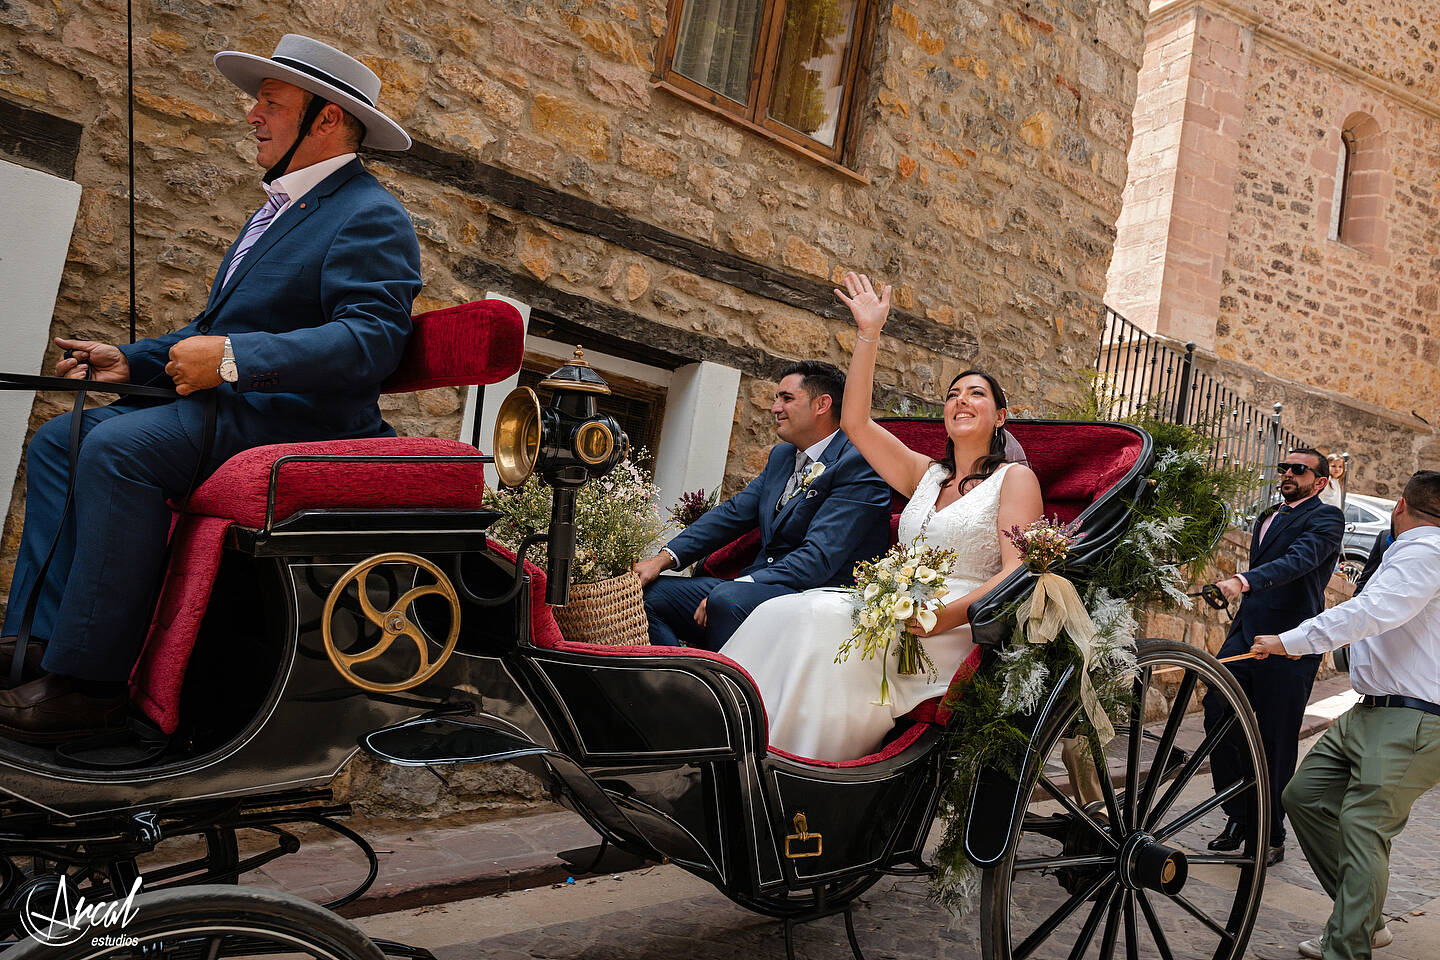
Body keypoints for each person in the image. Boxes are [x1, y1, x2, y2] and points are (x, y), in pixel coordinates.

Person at [0, 34, 422, 743]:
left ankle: (92, 686)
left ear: (326, 120)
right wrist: (130, 362)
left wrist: (231, 359)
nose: (251, 113)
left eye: (271, 102)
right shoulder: (280, 210)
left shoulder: (372, 215)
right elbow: (212, 327)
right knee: (56, 440)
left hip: (292, 419)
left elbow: (371, 341)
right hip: (236, 405)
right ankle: (40, 645)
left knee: (121, 451)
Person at [719, 273, 1043, 761]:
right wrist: (868, 332)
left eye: (976, 394)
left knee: (818, 623)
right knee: (781, 611)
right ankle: (735, 747)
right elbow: (855, 422)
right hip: (893, 606)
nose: (961, 400)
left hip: (956, 625)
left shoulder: (1015, 480)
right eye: (954, 394)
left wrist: (943, 618)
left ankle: (804, 768)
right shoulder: (924, 475)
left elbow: (1015, 570)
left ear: (1000, 416)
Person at [1251, 469, 1440, 960]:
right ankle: (1367, 919)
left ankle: (1348, 946)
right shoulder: (1416, 551)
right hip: (1370, 710)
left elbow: (1372, 609)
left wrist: (1292, 641)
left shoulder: (1426, 551)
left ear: (1400, 505)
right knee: (1305, 797)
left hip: (1412, 718)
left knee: (1363, 827)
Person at [633, 361, 892, 650]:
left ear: (822, 404)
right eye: (776, 398)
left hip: (817, 596)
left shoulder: (860, 463)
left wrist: (741, 584)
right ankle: (677, 681)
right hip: (761, 586)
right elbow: (731, 515)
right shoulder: (782, 456)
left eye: (787, 398)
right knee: (646, 595)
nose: (775, 408)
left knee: (725, 599)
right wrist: (662, 559)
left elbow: (818, 558)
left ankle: (726, 691)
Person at [1203, 447, 1345, 865]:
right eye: (1284, 466)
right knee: (1217, 714)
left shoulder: (1326, 518)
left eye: (1298, 469)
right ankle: (1239, 815)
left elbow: (1298, 562)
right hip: (1245, 635)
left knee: (1275, 738)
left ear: (1319, 482)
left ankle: (1270, 833)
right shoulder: (1268, 514)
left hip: (1291, 642)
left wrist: (1241, 581)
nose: (1287, 473)